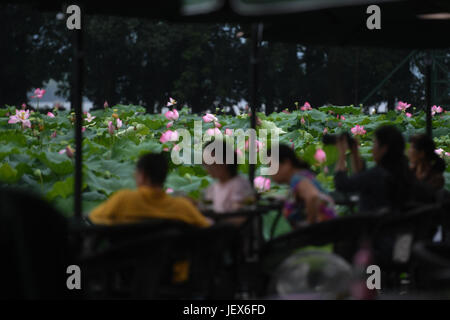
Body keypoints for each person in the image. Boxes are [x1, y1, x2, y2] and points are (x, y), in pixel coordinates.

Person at [89, 153, 210, 227]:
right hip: (172, 267)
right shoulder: (182, 207)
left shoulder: (122, 200)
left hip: (128, 266)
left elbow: (94, 219)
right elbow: (208, 229)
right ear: (164, 176)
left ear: (142, 176)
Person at [334, 125, 415, 213]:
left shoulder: (378, 175)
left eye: (375, 143)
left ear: (384, 149)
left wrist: (341, 154)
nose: (372, 149)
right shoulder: (407, 173)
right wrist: (355, 152)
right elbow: (361, 178)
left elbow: (342, 184)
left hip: (373, 225)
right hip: (396, 224)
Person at [270, 144, 336, 228]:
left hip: (322, 233)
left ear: (287, 163)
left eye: (271, 165)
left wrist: (310, 225)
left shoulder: (297, 179)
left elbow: (312, 196)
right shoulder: (303, 176)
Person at [202, 140, 255, 213]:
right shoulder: (213, 188)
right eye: (205, 164)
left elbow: (240, 217)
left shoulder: (239, 185)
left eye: (211, 163)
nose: (208, 168)